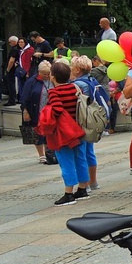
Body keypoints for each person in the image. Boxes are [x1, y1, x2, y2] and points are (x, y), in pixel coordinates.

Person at [44, 61, 90, 205]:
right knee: (81, 158)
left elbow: (57, 109)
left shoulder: (53, 92)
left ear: (53, 77)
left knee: (66, 161)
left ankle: (68, 193)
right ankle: (82, 189)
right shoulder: (74, 87)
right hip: (79, 129)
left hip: (64, 132)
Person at [71, 56, 101, 190]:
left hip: (81, 121)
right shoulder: (92, 80)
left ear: (77, 69)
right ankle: (93, 182)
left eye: (72, 67)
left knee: (80, 153)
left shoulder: (78, 84)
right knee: (90, 151)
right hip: (92, 120)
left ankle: (84, 184)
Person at [20, 61, 53, 163]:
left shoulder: (53, 80)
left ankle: (49, 152)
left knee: (49, 132)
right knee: (37, 133)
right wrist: (25, 111)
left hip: (49, 111)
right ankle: (41, 155)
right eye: (44, 74)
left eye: (48, 73)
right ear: (39, 72)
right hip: (36, 110)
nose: (47, 76)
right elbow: (25, 97)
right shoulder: (31, 82)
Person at [4, 36, 20, 105]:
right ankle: (17, 98)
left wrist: (8, 69)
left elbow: (11, 60)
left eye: (9, 42)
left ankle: (12, 100)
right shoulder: (19, 49)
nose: (9, 44)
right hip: (16, 69)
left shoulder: (14, 49)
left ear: (13, 42)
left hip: (12, 70)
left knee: (11, 84)